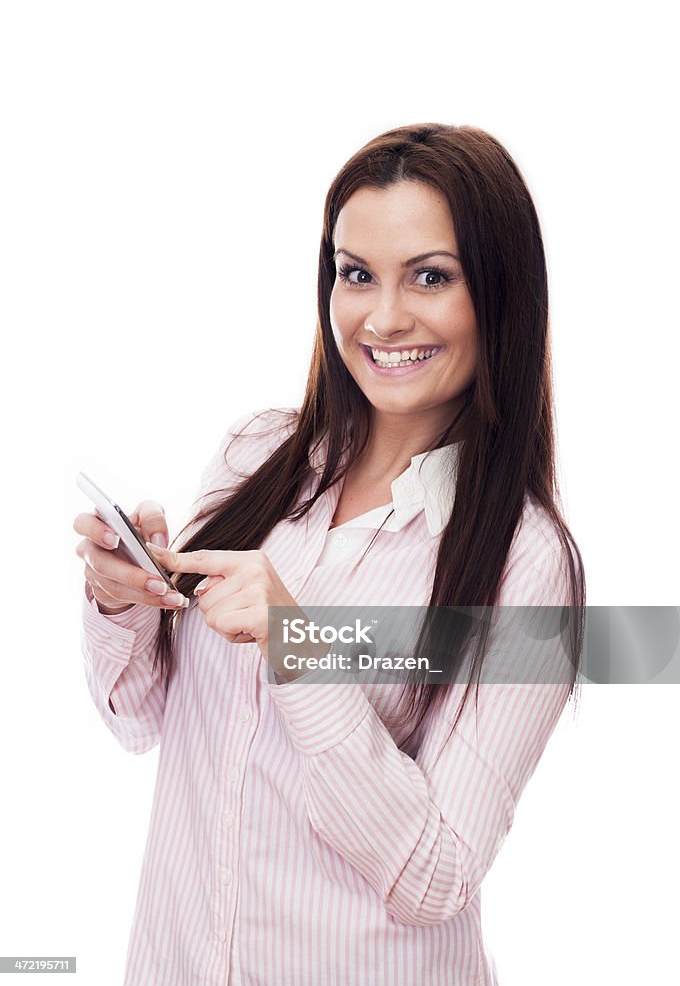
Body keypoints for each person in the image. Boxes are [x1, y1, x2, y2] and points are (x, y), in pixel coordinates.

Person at [73, 122, 585, 986]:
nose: (382, 318)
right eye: (357, 274)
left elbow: (435, 876)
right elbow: (138, 719)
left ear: (499, 293)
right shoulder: (256, 457)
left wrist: (300, 646)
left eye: (431, 276)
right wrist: (122, 600)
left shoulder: (528, 564)